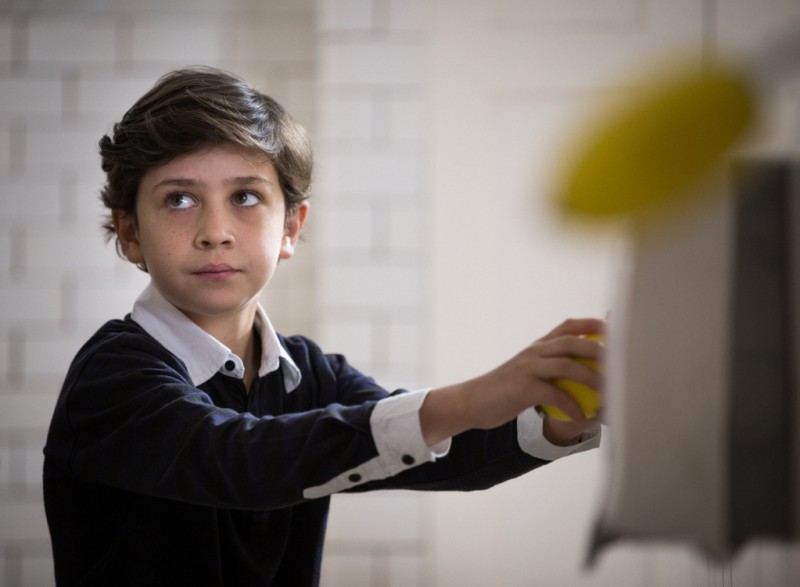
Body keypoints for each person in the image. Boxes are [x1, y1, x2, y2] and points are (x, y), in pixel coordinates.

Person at [42, 66, 604, 587]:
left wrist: (559, 417)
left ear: (291, 226)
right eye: (180, 199)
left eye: (245, 197)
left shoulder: (307, 373)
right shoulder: (110, 377)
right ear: (130, 232)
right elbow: (242, 461)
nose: (216, 231)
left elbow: (436, 450)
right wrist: (476, 395)